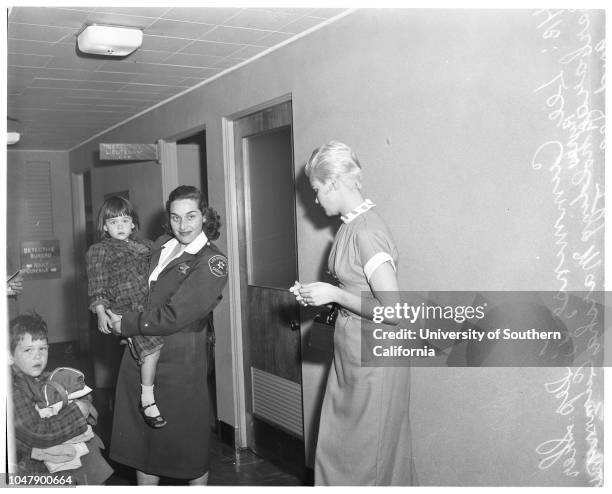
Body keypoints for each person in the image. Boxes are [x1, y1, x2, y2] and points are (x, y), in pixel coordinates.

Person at [291, 141, 415, 485]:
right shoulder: (350, 226)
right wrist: (322, 296)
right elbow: (356, 290)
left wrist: (333, 293)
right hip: (353, 356)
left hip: (374, 360)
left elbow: (394, 312)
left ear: (333, 183)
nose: (315, 200)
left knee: (364, 460)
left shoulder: (366, 232)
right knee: (343, 453)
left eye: (317, 190)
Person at [107, 185, 228, 485]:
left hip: (180, 359)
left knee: (186, 446)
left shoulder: (212, 261)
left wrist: (125, 323)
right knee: (143, 444)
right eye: (175, 217)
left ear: (205, 217)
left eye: (191, 216)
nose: (183, 226)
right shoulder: (161, 244)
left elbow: (174, 316)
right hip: (141, 351)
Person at [86, 196, 166, 428]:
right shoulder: (99, 250)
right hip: (123, 308)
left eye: (125, 220)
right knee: (152, 350)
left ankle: (134, 345)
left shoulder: (145, 245)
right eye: (113, 222)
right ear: (104, 226)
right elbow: (97, 284)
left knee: (156, 349)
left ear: (133, 224)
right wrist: (101, 312)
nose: (120, 226)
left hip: (147, 305)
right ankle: (147, 400)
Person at [9, 312, 113, 484]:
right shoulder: (12, 391)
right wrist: (78, 411)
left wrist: (83, 400)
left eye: (43, 348)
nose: (38, 356)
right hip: (27, 469)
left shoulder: (43, 377)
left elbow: (80, 392)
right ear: (9, 356)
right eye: (28, 350)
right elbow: (38, 434)